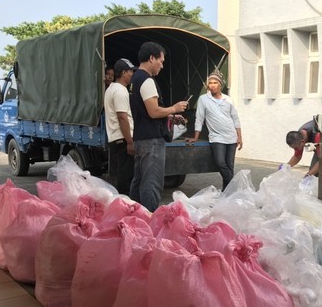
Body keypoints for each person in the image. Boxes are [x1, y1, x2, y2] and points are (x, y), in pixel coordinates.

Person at [129, 42, 188, 212]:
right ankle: (149, 220)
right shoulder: (147, 80)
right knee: (151, 183)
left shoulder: (134, 79)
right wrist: (175, 108)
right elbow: (153, 112)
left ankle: (134, 217)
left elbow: (146, 112)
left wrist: (170, 116)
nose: (162, 65)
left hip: (141, 138)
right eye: (161, 61)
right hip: (152, 141)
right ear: (151, 58)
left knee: (139, 181)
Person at [186, 69, 242, 190]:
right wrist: (195, 137)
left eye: (215, 83)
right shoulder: (203, 99)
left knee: (229, 165)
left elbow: (235, 118)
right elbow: (199, 118)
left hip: (231, 137)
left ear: (220, 85)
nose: (212, 85)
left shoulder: (228, 99)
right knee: (220, 163)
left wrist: (240, 137)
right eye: (210, 83)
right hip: (216, 137)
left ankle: (227, 193)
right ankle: (235, 186)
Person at [284, 119, 322, 211]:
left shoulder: (317, 134)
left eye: (296, 147)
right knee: (313, 172)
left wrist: (308, 174)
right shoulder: (298, 136)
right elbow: (297, 156)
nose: (296, 149)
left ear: (302, 141)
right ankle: (316, 199)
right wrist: (286, 166)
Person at [104, 58, 136, 195]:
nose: (132, 75)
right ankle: (125, 205)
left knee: (122, 173)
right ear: (123, 73)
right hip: (123, 139)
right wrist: (129, 142)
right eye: (130, 72)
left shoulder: (111, 89)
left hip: (116, 139)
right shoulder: (120, 91)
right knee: (126, 176)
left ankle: (122, 203)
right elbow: (122, 117)